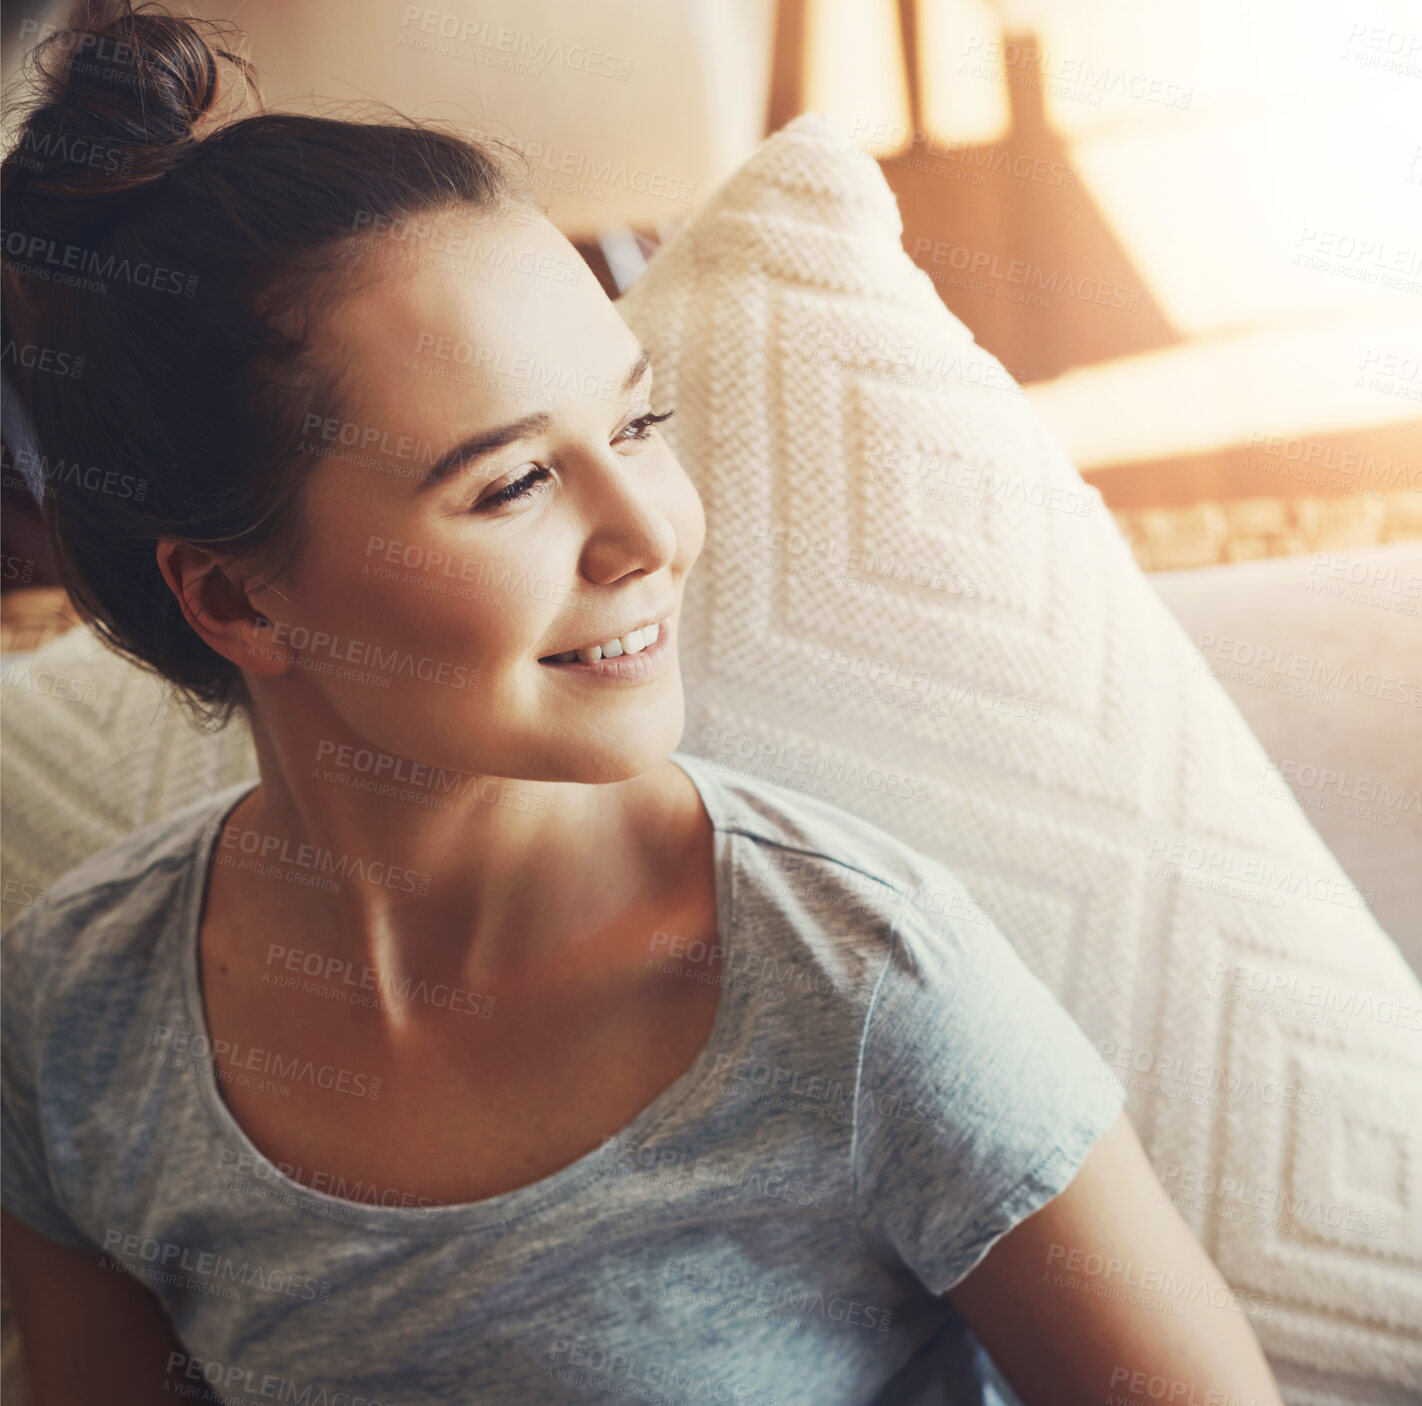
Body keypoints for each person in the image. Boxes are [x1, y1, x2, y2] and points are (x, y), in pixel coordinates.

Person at [0, 4, 1285, 1403]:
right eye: (510, 485)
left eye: (633, 427)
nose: (648, 533)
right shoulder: (72, 1025)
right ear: (240, 603)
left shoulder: (859, 990)